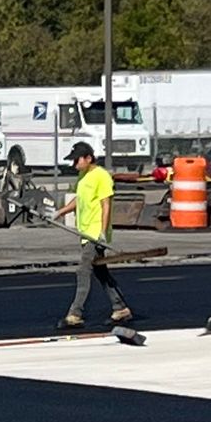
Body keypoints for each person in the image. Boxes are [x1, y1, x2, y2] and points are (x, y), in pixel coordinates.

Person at [61, 139, 135, 331]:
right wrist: (60, 212)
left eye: (77, 160)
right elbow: (79, 201)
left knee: (83, 271)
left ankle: (75, 313)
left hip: (95, 234)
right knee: (100, 272)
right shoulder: (83, 177)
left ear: (88, 158)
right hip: (85, 233)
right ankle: (120, 308)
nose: (74, 164)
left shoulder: (101, 176)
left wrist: (102, 232)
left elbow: (106, 204)